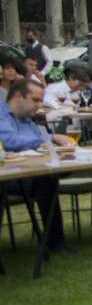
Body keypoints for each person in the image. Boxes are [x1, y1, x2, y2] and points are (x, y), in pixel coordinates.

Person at [0, 79, 70, 252]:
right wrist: (51, 139)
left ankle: (54, 241)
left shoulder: (27, 121)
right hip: (7, 175)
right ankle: (55, 243)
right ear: (18, 96)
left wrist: (49, 142)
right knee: (45, 182)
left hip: (27, 171)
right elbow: (10, 141)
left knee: (48, 179)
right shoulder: (2, 116)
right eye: (36, 100)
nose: (39, 105)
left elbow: (41, 142)